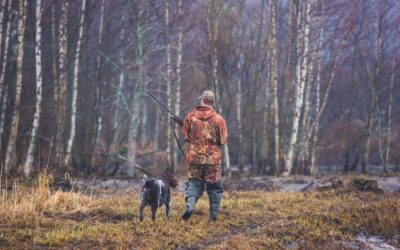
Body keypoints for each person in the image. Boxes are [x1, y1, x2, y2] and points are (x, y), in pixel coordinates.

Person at [172, 90, 228, 221]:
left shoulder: (190, 117)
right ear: (212, 103)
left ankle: (190, 207)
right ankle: (213, 217)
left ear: (202, 101)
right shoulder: (219, 119)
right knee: (214, 187)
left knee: (194, 184)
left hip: (195, 158)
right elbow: (223, 140)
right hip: (212, 160)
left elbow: (186, 137)